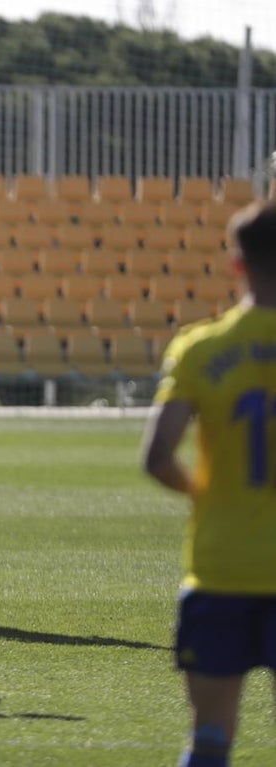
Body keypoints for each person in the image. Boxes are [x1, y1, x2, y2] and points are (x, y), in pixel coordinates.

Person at [141, 199, 276, 767]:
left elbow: (157, 457)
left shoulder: (201, 348)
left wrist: (209, 494)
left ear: (235, 264)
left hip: (220, 565)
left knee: (210, 742)